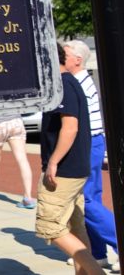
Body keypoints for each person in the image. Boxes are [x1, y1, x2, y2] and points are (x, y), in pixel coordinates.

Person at [36, 43, 102, 275]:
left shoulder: (63, 83)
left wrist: (53, 162)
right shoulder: (69, 82)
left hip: (64, 171)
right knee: (76, 227)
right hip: (74, 169)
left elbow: (70, 127)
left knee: (50, 227)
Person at [65, 39, 118, 268]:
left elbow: (75, 124)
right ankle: (97, 253)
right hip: (93, 143)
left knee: (85, 200)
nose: (62, 58)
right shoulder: (84, 81)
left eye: (65, 55)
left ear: (77, 60)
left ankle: (116, 241)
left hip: (87, 144)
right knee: (91, 198)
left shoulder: (79, 84)